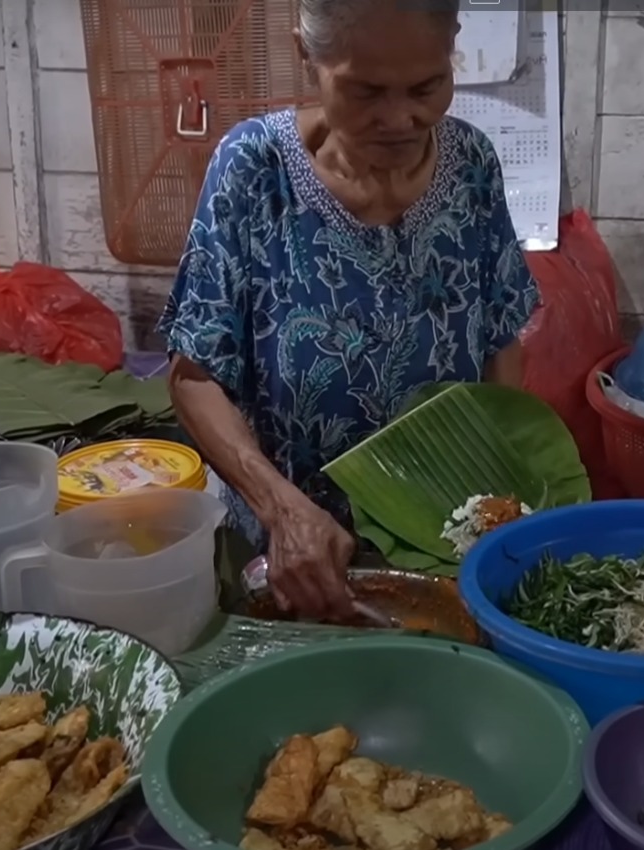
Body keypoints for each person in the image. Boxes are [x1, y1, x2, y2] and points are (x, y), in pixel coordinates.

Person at [158, 0, 539, 621]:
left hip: (435, 545)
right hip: (288, 557)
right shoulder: (255, 168)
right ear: (307, 56)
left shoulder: (471, 164)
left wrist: (495, 502)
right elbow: (193, 374)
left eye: (427, 86)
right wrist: (282, 511)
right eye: (364, 91)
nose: (400, 118)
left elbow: (499, 338)